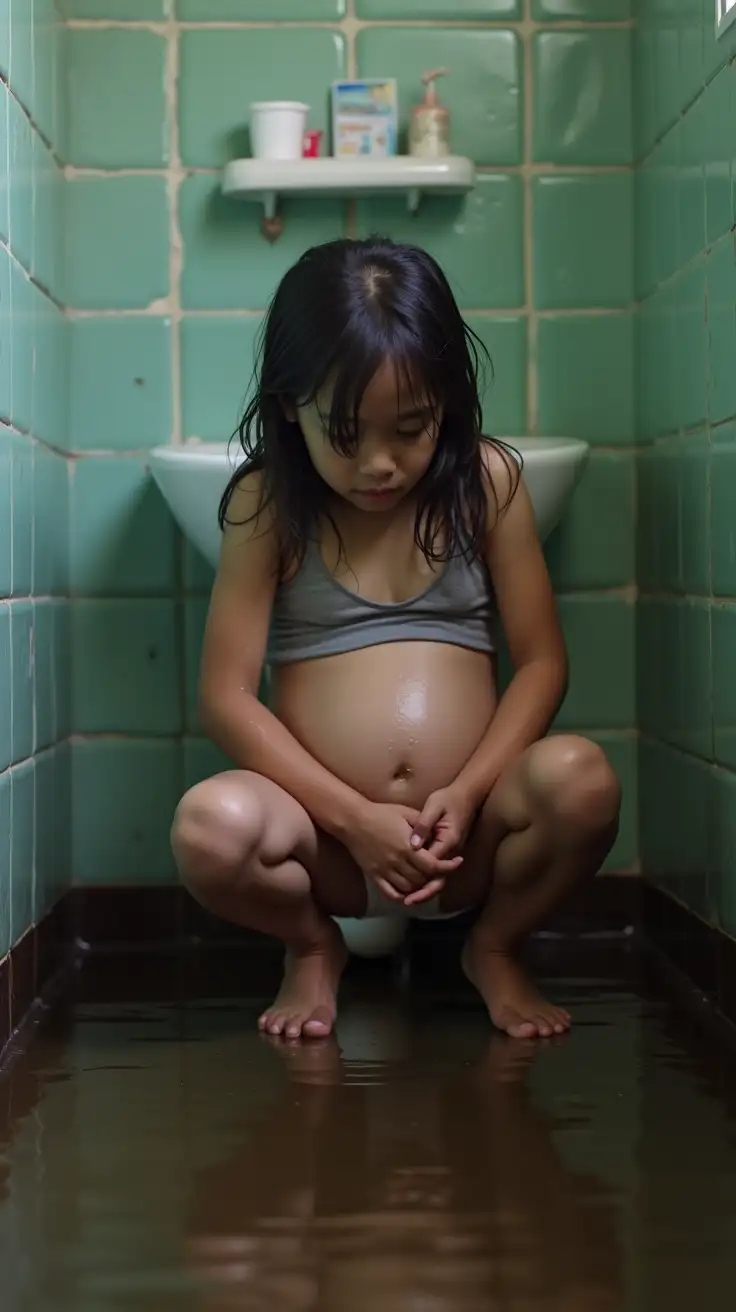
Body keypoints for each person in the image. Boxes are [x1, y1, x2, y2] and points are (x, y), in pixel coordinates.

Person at [171, 237, 621, 1042]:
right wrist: (352, 819)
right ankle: (312, 949)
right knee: (209, 826)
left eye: (409, 428)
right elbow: (225, 697)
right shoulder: (268, 505)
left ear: (445, 401)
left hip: (466, 835)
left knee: (582, 781)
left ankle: (494, 947)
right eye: (345, 432)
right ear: (287, 407)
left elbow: (542, 662)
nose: (380, 464)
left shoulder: (487, 484)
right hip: (328, 845)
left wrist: (471, 788)